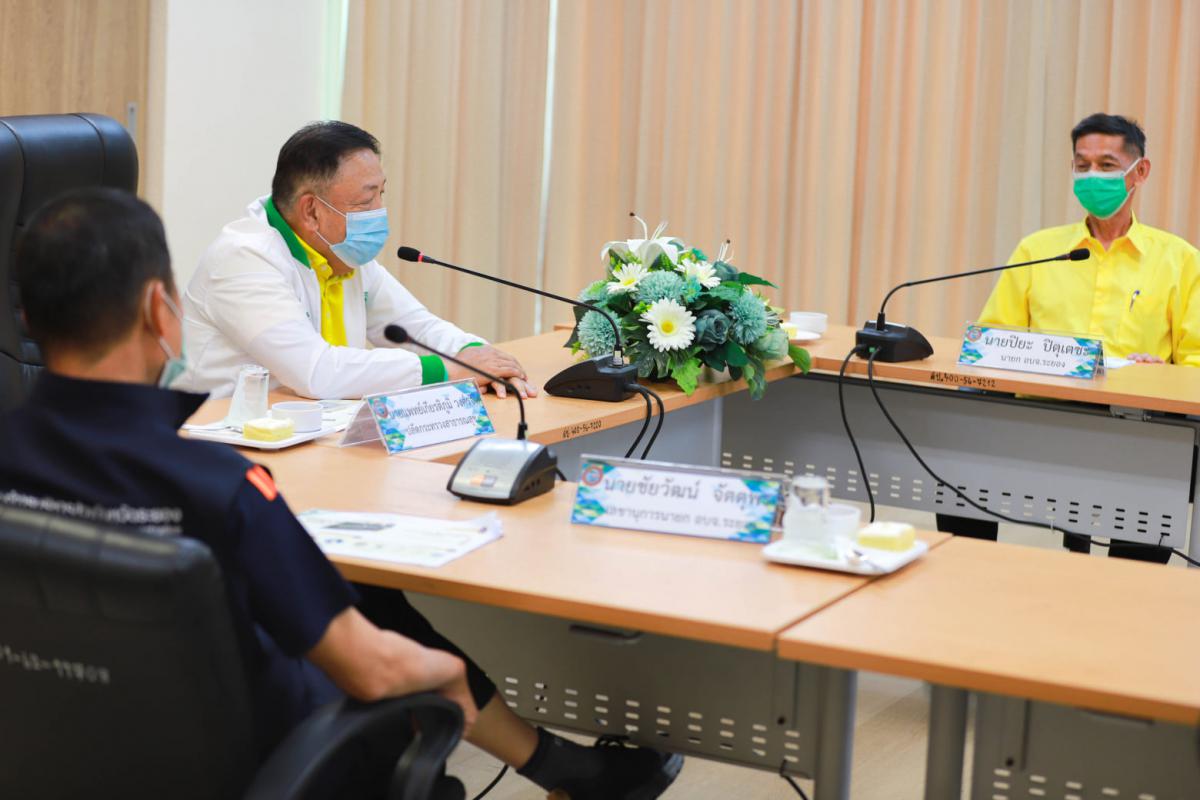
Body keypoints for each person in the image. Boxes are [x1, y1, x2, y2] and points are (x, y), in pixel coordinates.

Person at [0, 188, 682, 799]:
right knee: (391, 641)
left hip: (49, 750)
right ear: (161, 310)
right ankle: (562, 768)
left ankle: (564, 769)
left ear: (27, 315)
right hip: (252, 762)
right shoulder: (221, 486)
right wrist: (445, 670)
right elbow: (372, 669)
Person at [940, 113, 1200, 563]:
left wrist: (1163, 374)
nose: (1091, 176)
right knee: (959, 454)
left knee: (1151, 495)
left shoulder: (1179, 260)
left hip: (1137, 432)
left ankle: (1127, 594)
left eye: (1106, 165)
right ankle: (968, 572)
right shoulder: (1039, 250)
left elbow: (1195, 362)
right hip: (1040, 422)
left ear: (1140, 171)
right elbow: (991, 344)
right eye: (1082, 165)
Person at [176, 121, 536, 401]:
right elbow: (316, 372)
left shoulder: (342, 254)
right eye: (365, 202)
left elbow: (417, 329)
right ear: (311, 211)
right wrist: (450, 369)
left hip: (312, 433)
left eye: (381, 194)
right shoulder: (243, 258)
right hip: (223, 441)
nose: (379, 212)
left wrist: (476, 355)